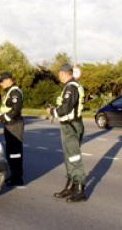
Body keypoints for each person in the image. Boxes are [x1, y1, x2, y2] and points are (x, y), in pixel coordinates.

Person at [47, 64, 86, 202]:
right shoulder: (71, 86)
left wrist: (52, 112)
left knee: (74, 157)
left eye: (59, 74)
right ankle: (70, 186)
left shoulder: (71, 87)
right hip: (70, 125)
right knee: (69, 157)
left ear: (64, 73)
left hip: (71, 126)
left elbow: (66, 108)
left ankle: (80, 189)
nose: (58, 77)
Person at [0, 72, 24, 186]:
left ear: (9, 80)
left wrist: (2, 118)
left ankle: (17, 178)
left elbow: (15, 110)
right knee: (11, 151)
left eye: (2, 81)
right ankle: (14, 176)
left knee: (15, 152)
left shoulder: (15, 92)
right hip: (10, 125)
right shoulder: (10, 92)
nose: (0, 84)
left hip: (14, 125)